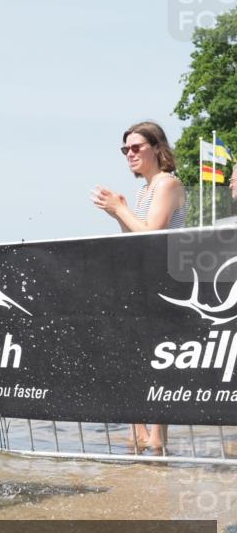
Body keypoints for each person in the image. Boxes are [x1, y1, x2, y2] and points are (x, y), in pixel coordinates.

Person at [92, 121, 186, 455]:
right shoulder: (144, 190)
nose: (129, 154)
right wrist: (119, 213)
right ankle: (140, 433)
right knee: (135, 357)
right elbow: (135, 238)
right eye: (125, 149)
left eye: (136, 147)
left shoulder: (167, 184)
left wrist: (120, 209)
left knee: (158, 359)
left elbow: (153, 234)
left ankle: (155, 437)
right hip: (144, 281)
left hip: (165, 283)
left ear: (156, 148)